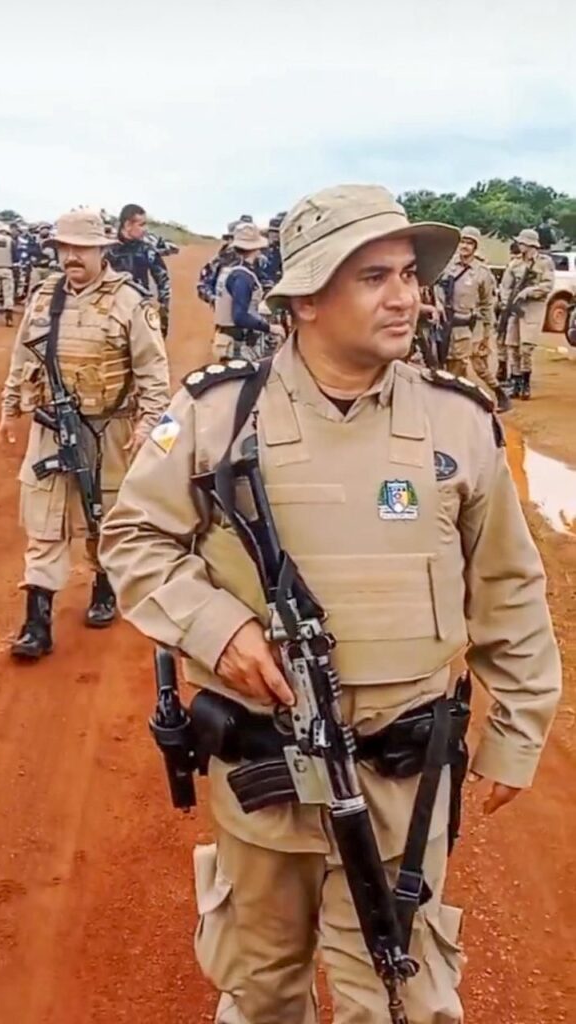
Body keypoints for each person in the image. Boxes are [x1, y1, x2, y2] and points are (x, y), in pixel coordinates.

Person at [99, 184, 561, 1024]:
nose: (404, 296)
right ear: (306, 299)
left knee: (396, 998)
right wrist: (220, 628)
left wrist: (518, 731)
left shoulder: (458, 422)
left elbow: (506, 585)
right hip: (262, 773)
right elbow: (134, 539)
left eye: (408, 275)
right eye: (373, 277)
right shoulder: (216, 415)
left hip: (402, 781)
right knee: (262, 991)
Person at [0, 209, 170, 660]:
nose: (71, 256)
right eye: (65, 248)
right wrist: (10, 407)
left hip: (107, 430)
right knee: (44, 523)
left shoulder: (130, 302)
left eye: (81, 248)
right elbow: (21, 358)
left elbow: (154, 374)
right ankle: (36, 623)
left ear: (101, 251)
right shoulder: (43, 298)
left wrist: (147, 425)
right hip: (51, 429)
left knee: (104, 518)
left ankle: (104, 585)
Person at [435, 226, 509, 411]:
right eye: (463, 242)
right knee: (444, 364)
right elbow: (434, 286)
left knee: (465, 365)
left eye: (469, 243)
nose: (465, 246)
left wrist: (486, 334)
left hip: (466, 326)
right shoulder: (447, 265)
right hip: (443, 324)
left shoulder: (482, 272)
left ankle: (490, 396)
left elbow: (487, 305)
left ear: (475, 247)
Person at [212, 222, 281, 362]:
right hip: (239, 343)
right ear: (257, 248)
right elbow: (240, 316)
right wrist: (270, 328)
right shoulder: (242, 276)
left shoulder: (228, 270)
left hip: (226, 339)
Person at [498, 228, 554, 400]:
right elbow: (505, 286)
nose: (519, 245)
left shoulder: (544, 263)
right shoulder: (515, 264)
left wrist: (529, 291)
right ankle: (516, 383)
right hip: (514, 309)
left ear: (530, 245)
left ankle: (525, 383)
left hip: (532, 308)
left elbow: (547, 285)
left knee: (526, 348)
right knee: (512, 346)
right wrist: (507, 302)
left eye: (522, 243)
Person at [105, 203, 171, 337]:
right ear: (128, 225)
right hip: (111, 311)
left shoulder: (146, 250)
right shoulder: (107, 251)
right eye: (141, 225)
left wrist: (163, 310)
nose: (145, 230)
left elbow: (163, 280)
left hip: (139, 309)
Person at [198, 230, 238, 306]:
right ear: (230, 240)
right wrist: (215, 299)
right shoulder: (219, 260)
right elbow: (203, 285)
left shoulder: (258, 260)